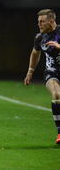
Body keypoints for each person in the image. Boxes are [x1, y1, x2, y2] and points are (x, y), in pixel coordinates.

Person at [24, 9, 60, 144]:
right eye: (38, 22)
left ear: (51, 21)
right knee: (56, 95)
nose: (39, 24)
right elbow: (35, 53)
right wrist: (30, 71)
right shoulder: (40, 37)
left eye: (42, 22)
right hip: (52, 72)